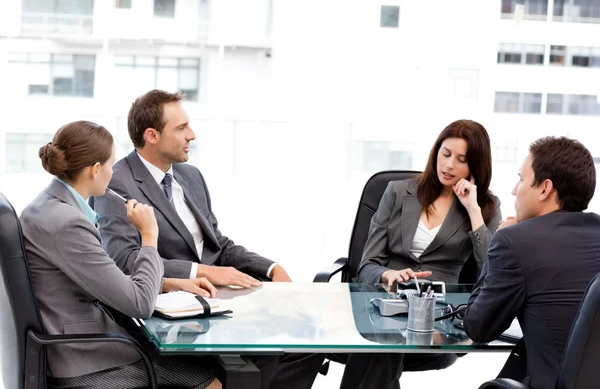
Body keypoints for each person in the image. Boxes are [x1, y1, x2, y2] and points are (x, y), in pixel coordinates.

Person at [92, 90, 323, 389]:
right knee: (263, 351)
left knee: (310, 341)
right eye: (181, 128)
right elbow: (125, 259)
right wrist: (203, 271)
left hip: (218, 297)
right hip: (172, 308)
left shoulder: (190, 176)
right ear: (152, 135)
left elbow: (218, 245)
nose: (192, 135)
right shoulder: (117, 182)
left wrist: (271, 268)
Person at [20, 121, 220, 388]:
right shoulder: (68, 223)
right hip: (88, 361)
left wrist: (168, 284)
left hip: (75, 348)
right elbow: (139, 304)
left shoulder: (45, 206)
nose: (113, 173)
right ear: (95, 170)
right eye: (111, 165)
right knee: (212, 377)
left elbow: (101, 278)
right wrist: (150, 236)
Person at [346, 119, 502, 389]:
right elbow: (367, 264)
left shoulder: (485, 206)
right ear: (436, 151)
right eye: (446, 153)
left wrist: (473, 210)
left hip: (438, 313)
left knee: (382, 345)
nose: (449, 165)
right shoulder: (397, 191)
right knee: (386, 342)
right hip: (386, 303)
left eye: (461, 159)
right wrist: (388, 275)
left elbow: (491, 267)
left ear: (475, 166)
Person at [462, 136, 600, 389]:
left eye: (522, 179)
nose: (515, 190)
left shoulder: (515, 241)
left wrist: (502, 239)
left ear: (545, 189)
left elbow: (476, 327)